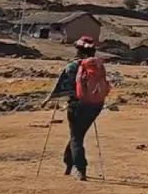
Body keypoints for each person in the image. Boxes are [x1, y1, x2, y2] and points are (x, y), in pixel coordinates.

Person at [42, 36, 106, 181]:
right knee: (78, 135)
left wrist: (49, 99)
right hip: (96, 106)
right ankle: (68, 163)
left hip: (77, 106)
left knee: (76, 137)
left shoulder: (72, 66)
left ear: (78, 49)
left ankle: (80, 168)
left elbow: (63, 88)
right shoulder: (98, 65)